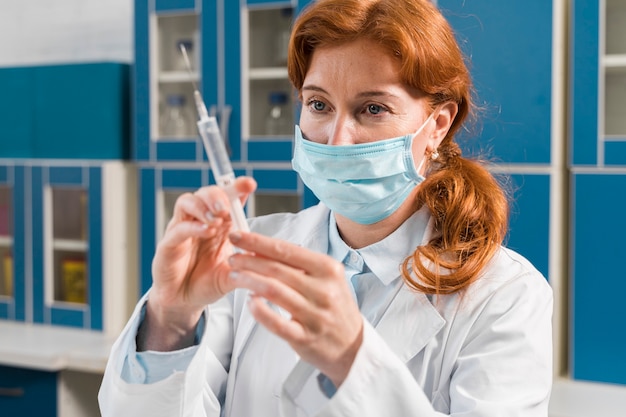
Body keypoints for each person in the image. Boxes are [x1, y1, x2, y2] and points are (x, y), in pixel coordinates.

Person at [99, 0, 553, 415]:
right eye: (318, 104)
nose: (337, 140)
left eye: (372, 109)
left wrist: (353, 361)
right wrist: (171, 320)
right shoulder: (246, 253)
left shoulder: (505, 295)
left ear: (437, 124)